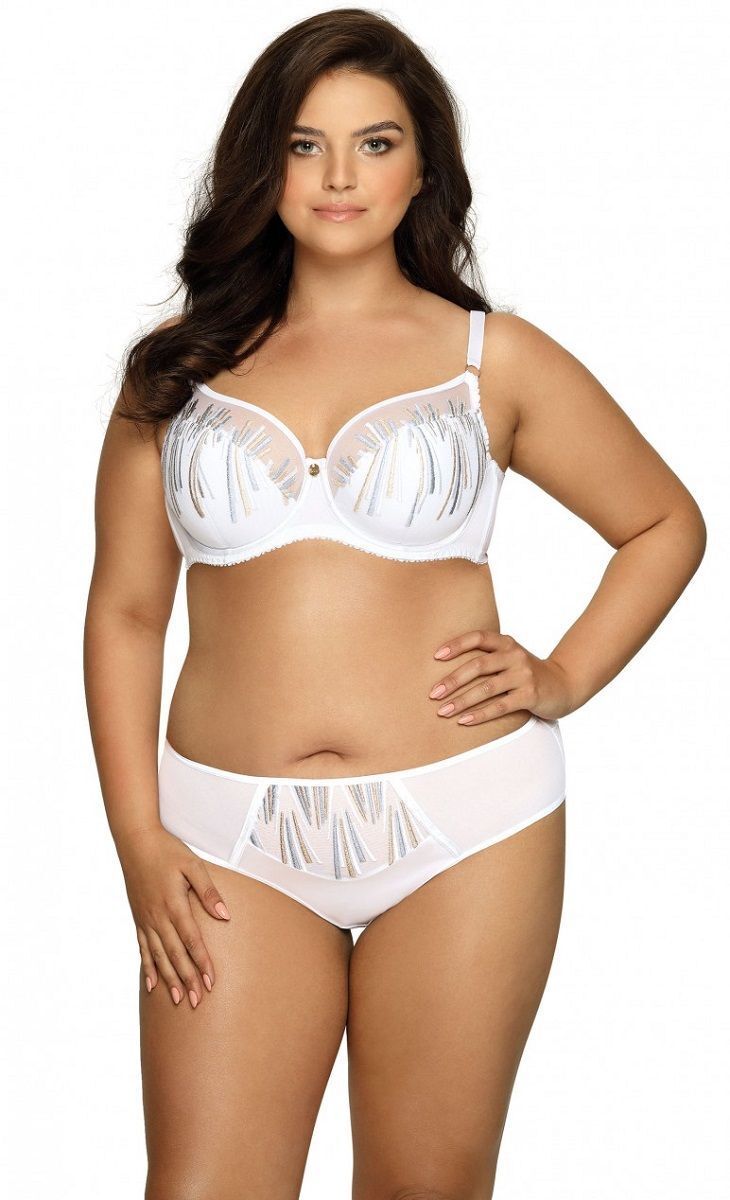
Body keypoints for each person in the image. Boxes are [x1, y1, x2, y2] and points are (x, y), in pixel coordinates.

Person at [83, 10, 706, 1199]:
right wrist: (138, 840)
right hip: (224, 842)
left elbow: (662, 523)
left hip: (468, 824)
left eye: (375, 143)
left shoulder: (491, 357)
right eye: (304, 144)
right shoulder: (177, 367)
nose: (338, 176)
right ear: (261, 164)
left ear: (423, 168)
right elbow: (124, 612)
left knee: (426, 1186)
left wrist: (562, 675)